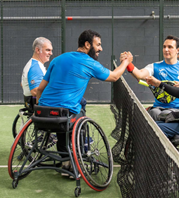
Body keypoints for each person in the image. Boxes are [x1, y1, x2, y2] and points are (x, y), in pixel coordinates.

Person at [36, 30, 132, 176]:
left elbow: (40, 90)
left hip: (41, 114)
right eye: (98, 45)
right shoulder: (89, 63)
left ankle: (65, 160)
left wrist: (40, 108)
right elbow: (114, 76)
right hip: (64, 114)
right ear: (87, 45)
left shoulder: (57, 59)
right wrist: (125, 62)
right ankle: (77, 158)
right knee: (77, 116)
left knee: (77, 106)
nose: (100, 48)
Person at [123, 35, 179, 121]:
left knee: (165, 115)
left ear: (178, 50)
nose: (166, 49)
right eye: (164, 47)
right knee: (152, 114)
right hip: (158, 108)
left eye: (170, 47)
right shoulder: (154, 66)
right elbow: (139, 74)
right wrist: (127, 63)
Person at [21, 37, 53, 110]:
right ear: (38, 50)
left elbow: (22, 84)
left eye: (51, 50)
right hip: (40, 106)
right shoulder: (35, 67)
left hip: (31, 103)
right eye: (48, 50)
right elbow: (35, 91)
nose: (51, 53)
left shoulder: (33, 64)